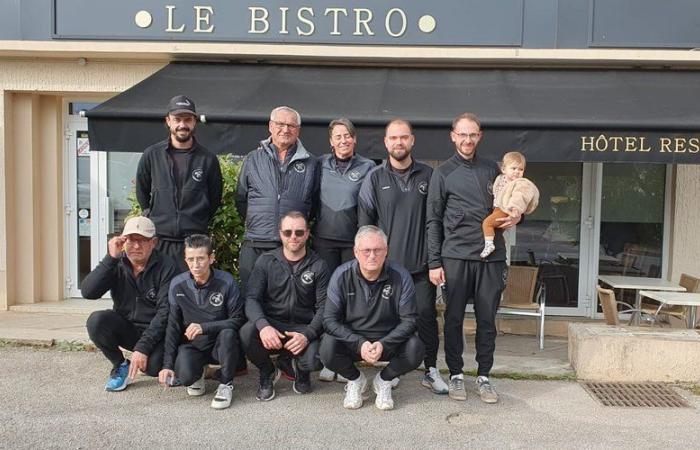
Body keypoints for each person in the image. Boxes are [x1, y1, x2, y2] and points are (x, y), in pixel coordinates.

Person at [426, 112, 519, 404]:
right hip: (455, 257)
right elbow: (433, 221)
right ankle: (455, 375)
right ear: (453, 136)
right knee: (453, 320)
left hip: (491, 259)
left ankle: (484, 377)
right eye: (462, 134)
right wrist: (434, 262)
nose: (467, 139)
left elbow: (514, 202)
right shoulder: (442, 174)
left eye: (473, 134)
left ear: (480, 136)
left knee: (487, 320)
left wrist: (519, 215)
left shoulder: (495, 171)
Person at [357, 118, 448, 394]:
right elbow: (365, 224)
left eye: (404, 137)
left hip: (420, 268)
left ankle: (431, 370)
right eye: (393, 138)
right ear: (386, 142)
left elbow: (435, 222)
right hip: (386, 269)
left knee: (425, 318)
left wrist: (435, 261)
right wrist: (368, 262)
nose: (399, 142)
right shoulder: (374, 177)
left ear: (412, 141)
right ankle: (393, 370)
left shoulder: (428, 176)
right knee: (391, 321)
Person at [321, 225, 424, 411]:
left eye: (377, 250)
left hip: (387, 343)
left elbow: (410, 320)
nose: (372, 255)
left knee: (415, 348)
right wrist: (359, 343)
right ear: (355, 252)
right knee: (327, 348)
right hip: (353, 343)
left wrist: (384, 343)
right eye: (366, 250)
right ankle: (355, 380)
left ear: (386, 251)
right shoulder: (341, 276)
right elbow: (329, 320)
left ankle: (384, 380)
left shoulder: (401, 276)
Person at [82, 216, 178, 392]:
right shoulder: (115, 263)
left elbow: (166, 312)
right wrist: (110, 258)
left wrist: (143, 347)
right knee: (96, 321)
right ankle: (120, 365)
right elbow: (88, 292)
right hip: (127, 328)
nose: (136, 246)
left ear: (154, 242)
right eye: (131, 240)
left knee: (152, 367)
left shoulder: (168, 266)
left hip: (157, 333)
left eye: (142, 240)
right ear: (122, 240)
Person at [240, 211, 329, 401]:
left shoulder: (319, 265)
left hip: (302, 327)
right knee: (247, 332)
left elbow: (324, 308)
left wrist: (308, 335)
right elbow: (251, 299)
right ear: (280, 234)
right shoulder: (266, 261)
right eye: (288, 232)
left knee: (317, 357)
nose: (293, 237)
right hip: (273, 326)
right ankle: (267, 371)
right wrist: (263, 326)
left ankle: (302, 369)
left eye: (299, 232)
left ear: (307, 234)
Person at [313, 118, 375, 383]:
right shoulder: (319, 164)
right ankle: (330, 357)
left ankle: (349, 356)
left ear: (355, 139)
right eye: (338, 136)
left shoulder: (368, 167)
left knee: (352, 298)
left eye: (348, 135)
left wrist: (364, 240)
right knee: (328, 299)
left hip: (354, 244)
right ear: (331, 140)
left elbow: (369, 206)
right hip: (323, 241)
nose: (343, 140)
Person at [135, 95, 223, 273]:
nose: (182, 125)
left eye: (187, 120)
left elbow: (215, 198)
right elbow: (142, 192)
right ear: (168, 121)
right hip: (160, 241)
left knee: (191, 295)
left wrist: (196, 219)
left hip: (194, 243)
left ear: (194, 122)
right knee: (160, 294)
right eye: (177, 119)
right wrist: (157, 215)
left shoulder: (208, 159)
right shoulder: (152, 155)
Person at [235, 106, 320, 288]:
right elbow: (241, 198)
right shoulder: (253, 158)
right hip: (256, 241)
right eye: (280, 124)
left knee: (286, 299)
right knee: (251, 295)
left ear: (298, 130)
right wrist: (258, 220)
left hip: (291, 245)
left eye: (291, 125)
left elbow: (314, 203)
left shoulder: (312, 163)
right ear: (270, 126)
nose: (285, 129)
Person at [158, 234, 244, 410]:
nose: (195, 264)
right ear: (185, 259)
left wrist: (204, 327)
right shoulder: (177, 284)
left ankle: (226, 385)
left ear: (211, 258)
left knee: (228, 333)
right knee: (186, 377)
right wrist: (167, 365)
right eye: (190, 259)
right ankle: (198, 374)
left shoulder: (226, 281)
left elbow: (238, 320)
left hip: (219, 345)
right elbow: (173, 326)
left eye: (200, 258)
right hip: (193, 346)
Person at [480, 151, 539, 258]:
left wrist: (515, 209)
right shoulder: (500, 178)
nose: (517, 172)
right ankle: (498, 242)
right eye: (513, 168)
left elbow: (519, 197)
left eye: (520, 169)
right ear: (504, 169)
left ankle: (489, 245)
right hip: (497, 208)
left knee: (487, 223)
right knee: (498, 230)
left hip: (506, 209)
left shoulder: (520, 183)